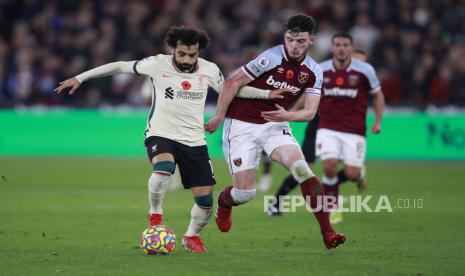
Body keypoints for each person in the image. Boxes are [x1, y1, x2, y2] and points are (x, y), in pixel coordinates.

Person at [55, 26, 287, 253]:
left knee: (206, 203)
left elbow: (231, 89)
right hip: (161, 132)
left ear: (199, 51)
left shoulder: (209, 69)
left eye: (192, 54)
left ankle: (191, 237)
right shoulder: (157, 64)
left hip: (194, 139)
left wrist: (266, 94)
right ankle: (155, 215)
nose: (187, 59)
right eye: (182, 54)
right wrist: (80, 77)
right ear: (173, 49)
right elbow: (119, 66)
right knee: (164, 167)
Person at [205, 14, 346, 249]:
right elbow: (232, 83)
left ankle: (328, 233)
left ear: (311, 40)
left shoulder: (313, 72)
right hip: (242, 124)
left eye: (300, 41)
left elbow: (310, 112)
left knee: (302, 169)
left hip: (276, 124)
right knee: (245, 193)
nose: (294, 45)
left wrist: (287, 116)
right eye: (290, 39)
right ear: (285, 37)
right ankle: (224, 203)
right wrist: (219, 117)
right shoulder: (270, 58)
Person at [268, 48, 374, 223]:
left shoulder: (362, 81)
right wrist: (291, 113)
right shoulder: (328, 75)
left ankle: (353, 177)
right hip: (317, 127)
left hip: (345, 130)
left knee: (350, 171)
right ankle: (277, 203)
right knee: (302, 166)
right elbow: (309, 94)